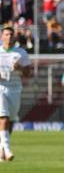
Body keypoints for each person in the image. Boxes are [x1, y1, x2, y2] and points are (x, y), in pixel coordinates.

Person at [0, 25, 33, 161]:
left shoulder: (21, 53)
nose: (9, 37)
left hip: (15, 89)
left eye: (11, 35)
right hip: (1, 87)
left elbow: (28, 74)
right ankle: (7, 150)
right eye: (6, 34)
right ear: (2, 37)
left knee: (11, 120)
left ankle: (2, 149)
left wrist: (20, 68)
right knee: (4, 117)